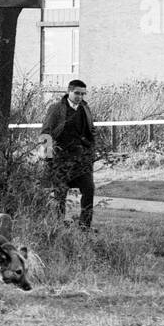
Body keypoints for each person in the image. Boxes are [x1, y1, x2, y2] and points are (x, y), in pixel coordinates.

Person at [40, 78, 97, 229]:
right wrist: (49, 158)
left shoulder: (85, 109)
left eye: (83, 94)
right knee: (60, 195)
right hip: (61, 160)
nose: (80, 96)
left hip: (81, 160)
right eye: (77, 93)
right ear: (69, 92)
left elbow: (91, 132)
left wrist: (90, 153)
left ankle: (85, 227)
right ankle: (59, 227)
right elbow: (46, 133)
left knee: (89, 189)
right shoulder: (56, 108)